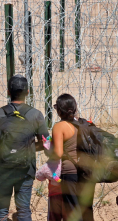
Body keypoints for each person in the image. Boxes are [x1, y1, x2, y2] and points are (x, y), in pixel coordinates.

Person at [0, 74, 48, 221]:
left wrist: (3, 149)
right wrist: (28, 148)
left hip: (2, 168)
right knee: (23, 209)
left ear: (8, 92)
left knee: (1, 209)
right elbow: (46, 142)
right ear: (28, 92)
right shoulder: (36, 115)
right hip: (26, 169)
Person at [51, 93, 96, 221]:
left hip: (70, 173)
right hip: (88, 172)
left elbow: (58, 154)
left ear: (59, 111)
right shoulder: (85, 123)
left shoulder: (59, 127)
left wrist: (48, 149)